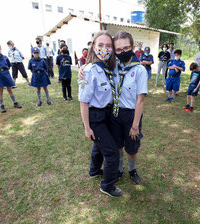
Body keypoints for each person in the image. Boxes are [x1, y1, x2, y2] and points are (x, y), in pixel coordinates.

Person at [78, 31, 123, 197]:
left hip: (108, 113)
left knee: (99, 145)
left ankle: (94, 170)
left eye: (108, 46)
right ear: (93, 47)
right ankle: (107, 186)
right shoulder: (89, 71)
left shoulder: (110, 67)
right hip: (96, 117)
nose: (105, 49)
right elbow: (83, 102)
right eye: (101, 45)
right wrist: (87, 128)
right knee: (111, 152)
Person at [111, 31, 148, 185]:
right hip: (115, 113)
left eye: (126, 48)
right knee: (118, 146)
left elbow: (140, 100)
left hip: (131, 115)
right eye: (118, 50)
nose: (122, 52)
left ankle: (132, 169)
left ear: (132, 47)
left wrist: (135, 125)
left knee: (132, 149)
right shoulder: (113, 67)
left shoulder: (139, 70)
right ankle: (119, 170)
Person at [0, 42, 22, 113]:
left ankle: (15, 102)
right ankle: (1, 105)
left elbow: (8, 66)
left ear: (1, 49)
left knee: (10, 89)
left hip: (6, 74)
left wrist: (4, 72)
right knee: (0, 91)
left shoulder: (5, 57)